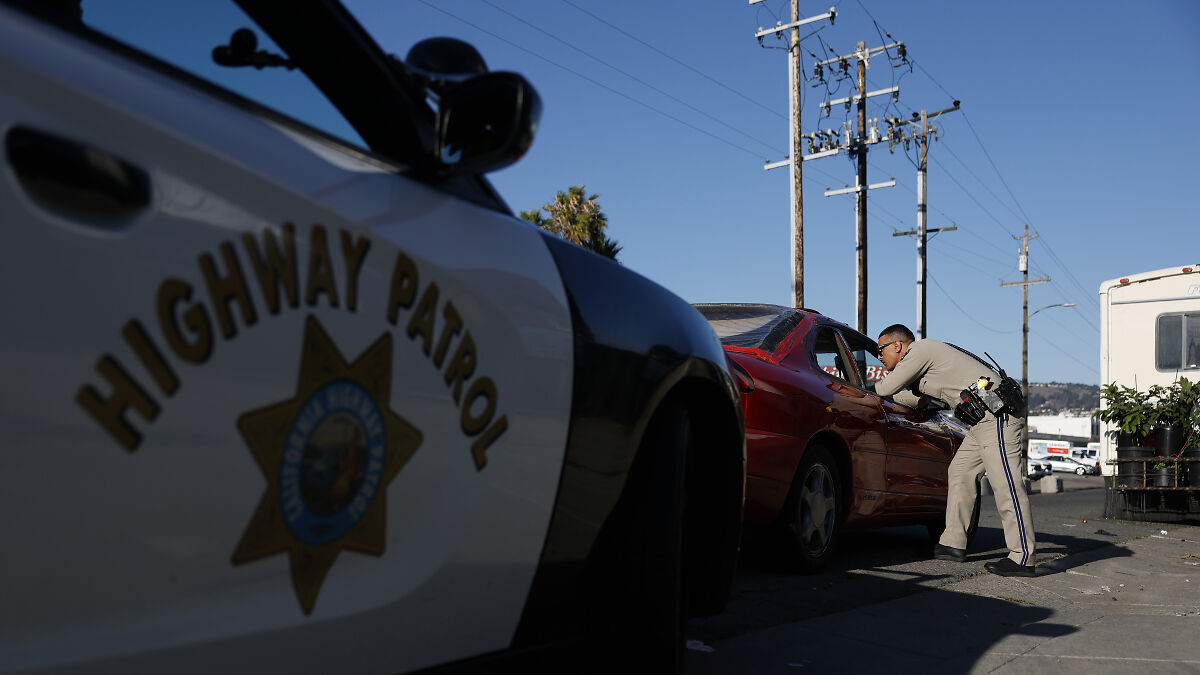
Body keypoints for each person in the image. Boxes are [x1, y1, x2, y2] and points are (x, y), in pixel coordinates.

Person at [873, 324, 1036, 577]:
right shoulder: (925, 362)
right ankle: (952, 544)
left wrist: (864, 388)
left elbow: (885, 388)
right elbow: (921, 400)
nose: (879, 356)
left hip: (999, 419)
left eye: (880, 350)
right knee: (960, 473)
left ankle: (1022, 556)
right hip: (982, 423)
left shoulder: (921, 350)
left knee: (1007, 486)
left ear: (898, 345)